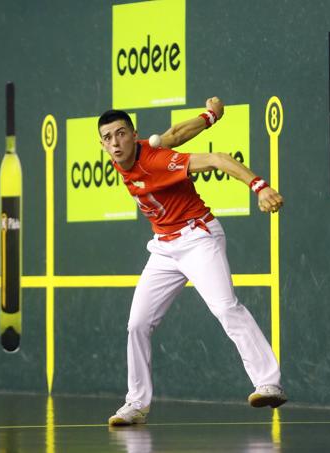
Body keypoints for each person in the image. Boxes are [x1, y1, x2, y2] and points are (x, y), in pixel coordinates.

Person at [99, 97, 287, 426]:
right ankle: (136, 404)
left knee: (226, 307)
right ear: (103, 144)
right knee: (137, 325)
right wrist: (209, 116)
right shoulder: (127, 155)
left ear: (133, 133)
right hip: (164, 247)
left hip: (198, 237)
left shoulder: (156, 162)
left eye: (121, 134)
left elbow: (217, 159)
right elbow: (174, 134)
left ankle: (268, 383)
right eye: (108, 138)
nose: (115, 143)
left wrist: (259, 186)